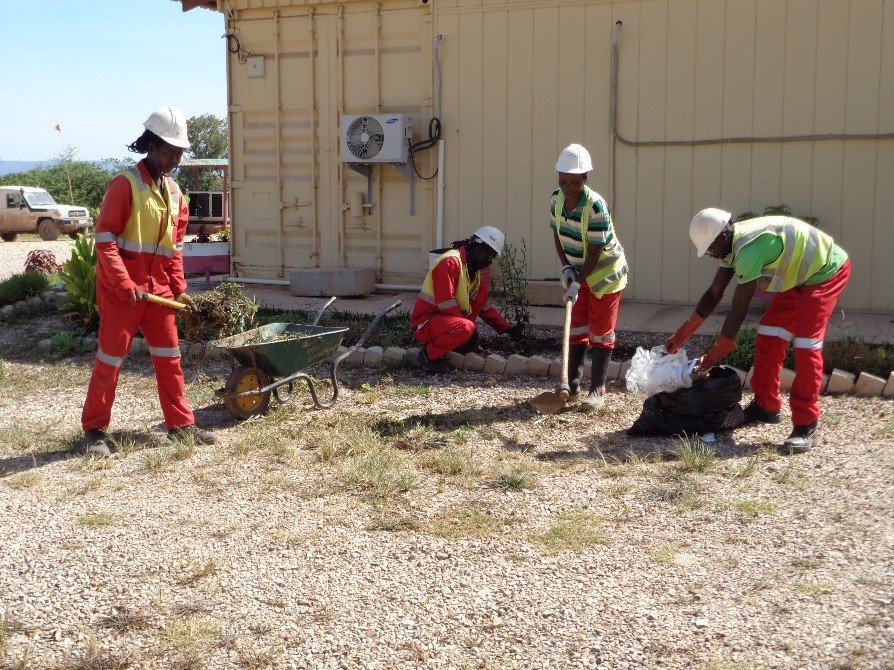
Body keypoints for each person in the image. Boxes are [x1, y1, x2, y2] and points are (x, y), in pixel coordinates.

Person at [81, 106, 217, 457]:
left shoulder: (175, 195)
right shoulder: (124, 184)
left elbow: (173, 250)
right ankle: (95, 430)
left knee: (170, 357)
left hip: (157, 292)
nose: (174, 159)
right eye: (169, 151)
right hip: (122, 291)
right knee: (110, 360)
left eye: (179, 153)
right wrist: (125, 284)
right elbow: (105, 237)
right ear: (151, 146)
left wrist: (180, 289)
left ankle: (181, 426)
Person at [665, 208, 851, 454]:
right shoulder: (732, 245)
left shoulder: (750, 250)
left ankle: (807, 425)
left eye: (710, 248)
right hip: (797, 278)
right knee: (770, 335)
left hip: (825, 274)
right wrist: (679, 337)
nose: (710, 255)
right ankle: (766, 405)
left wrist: (712, 358)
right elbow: (712, 295)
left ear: (722, 237)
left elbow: (738, 311)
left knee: (807, 346)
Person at [550, 144, 628, 411]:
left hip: (604, 274)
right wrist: (566, 269)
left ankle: (597, 390)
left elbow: (595, 254)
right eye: (563, 180)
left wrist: (579, 283)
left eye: (574, 181)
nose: (568, 186)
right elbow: (557, 236)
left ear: (585, 179)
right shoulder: (556, 199)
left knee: (601, 333)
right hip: (579, 272)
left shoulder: (596, 207)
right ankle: (571, 385)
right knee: (577, 329)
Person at [411, 226, 524, 373]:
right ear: (480, 248)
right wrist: (466, 329)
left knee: (482, 292)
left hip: (443, 321)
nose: (490, 262)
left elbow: (483, 308)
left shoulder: (471, 271)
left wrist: (508, 329)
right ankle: (428, 356)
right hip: (425, 323)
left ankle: (457, 341)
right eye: (490, 256)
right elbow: (445, 304)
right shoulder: (449, 262)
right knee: (466, 328)